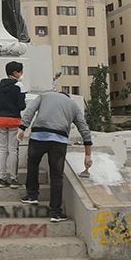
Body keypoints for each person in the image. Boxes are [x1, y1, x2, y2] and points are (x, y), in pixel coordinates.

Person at [18, 87, 93, 223]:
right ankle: (55, 212)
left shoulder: (45, 96)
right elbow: (84, 128)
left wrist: (23, 128)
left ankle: (32, 195)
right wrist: (88, 155)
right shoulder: (73, 105)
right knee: (56, 175)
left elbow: (30, 111)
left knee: (33, 164)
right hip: (59, 141)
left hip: (38, 137)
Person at [0, 61, 27, 188]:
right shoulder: (19, 86)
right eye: (20, 72)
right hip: (14, 121)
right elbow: (21, 106)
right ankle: (13, 179)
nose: (21, 74)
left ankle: (2, 179)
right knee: (13, 150)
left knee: (2, 149)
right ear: (15, 73)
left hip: (1, 119)